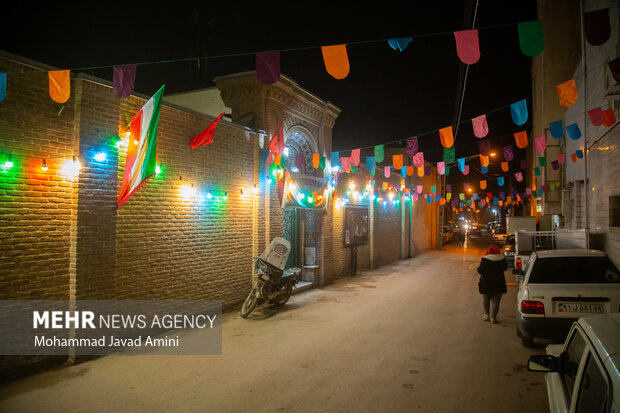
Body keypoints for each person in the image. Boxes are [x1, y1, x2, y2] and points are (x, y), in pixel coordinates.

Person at [477, 244, 507, 324]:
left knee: (485, 299)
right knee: (496, 301)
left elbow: (480, 271)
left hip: (486, 282)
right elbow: (505, 268)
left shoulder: (484, 259)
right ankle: (493, 318)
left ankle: (486, 315)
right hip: (499, 282)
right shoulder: (502, 259)